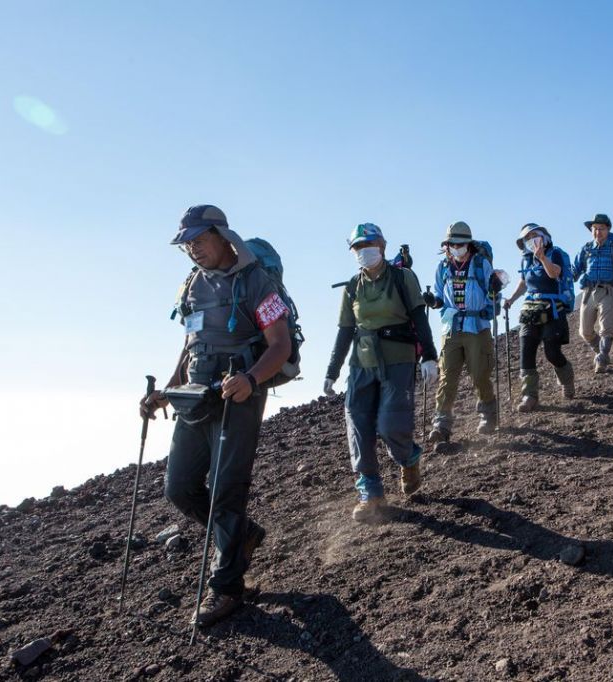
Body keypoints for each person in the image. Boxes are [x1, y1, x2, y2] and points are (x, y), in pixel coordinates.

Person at [139, 204, 292, 627]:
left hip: (239, 395)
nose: (191, 249)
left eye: (198, 240)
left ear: (222, 235)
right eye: (186, 243)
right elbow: (191, 343)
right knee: (179, 487)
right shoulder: (192, 283)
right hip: (195, 396)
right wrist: (166, 391)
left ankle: (226, 588)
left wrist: (251, 379)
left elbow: (280, 345)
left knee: (226, 489)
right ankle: (242, 534)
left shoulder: (256, 282)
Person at [323, 223, 439, 523]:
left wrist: (429, 355)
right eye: (358, 247)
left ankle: (408, 458)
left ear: (382, 246)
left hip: (398, 360)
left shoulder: (402, 278)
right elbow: (345, 330)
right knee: (358, 424)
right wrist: (332, 371)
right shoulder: (352, 287)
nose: (364, 251)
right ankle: (370, 493)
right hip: (361, 364)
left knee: (390, 424)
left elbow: (418, 316)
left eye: (369, 244)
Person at [423, 221, 499, 443]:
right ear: (447, 246)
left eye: (460, 243)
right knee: (447, 376)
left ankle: (487, 415)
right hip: (452, 328)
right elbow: (439, 296)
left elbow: (493, 296)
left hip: (477, 328)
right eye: (452, 244)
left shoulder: (481, 264)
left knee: (480, 373)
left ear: (468, 244)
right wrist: (433, 301)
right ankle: (442, 424)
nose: (456, 248)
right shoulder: (443, 267)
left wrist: (492, 298)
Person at [502, 223, 575, 412]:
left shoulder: (556, 253)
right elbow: (525, 282)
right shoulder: (525, 259)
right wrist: (511, 299)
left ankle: (567, 379)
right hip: (530, 308)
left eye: (534, 235)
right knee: (526, 350)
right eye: (527, 238)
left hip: (553, 308)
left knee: (552, 353)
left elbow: (554, 274)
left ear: (544, 236)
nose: (531, 240)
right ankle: (530, 395)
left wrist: (542, 258)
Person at [573, 213, 613, 373]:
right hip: (588, 291)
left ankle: (602, 357)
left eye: (601, 229)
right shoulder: (586, 248)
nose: (597, 232)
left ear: (608, 229)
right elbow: (575, 270)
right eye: (595, 229)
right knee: (585, 331)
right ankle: (600, 351)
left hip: (608, 290)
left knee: (606, 327)